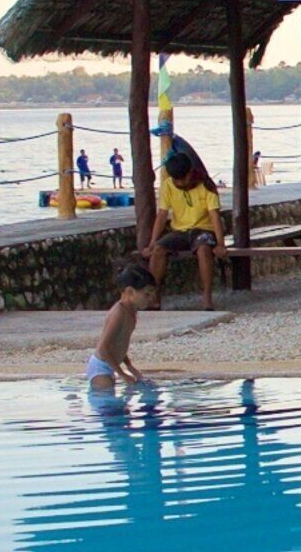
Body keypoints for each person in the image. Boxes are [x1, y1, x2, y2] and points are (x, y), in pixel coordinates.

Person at [154, 137, 223, 306]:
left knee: (204, 249)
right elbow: (162, 215)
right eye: (176, 180)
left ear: (190, 173)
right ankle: (153, 297)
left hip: (203, 230)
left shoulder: (207, 185)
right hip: (179, 231)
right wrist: (152, 242)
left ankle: (207, 297)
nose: (179, 184)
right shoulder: (168, 185)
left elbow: (214, 216)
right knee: (157, 251)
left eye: (182, 179)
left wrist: (220, 243)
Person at [88, 261, 155, 389]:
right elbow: (103, 348)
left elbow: (120, 344)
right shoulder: (118, 313)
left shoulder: (132, 312)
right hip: (100, 366)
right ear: (130, 291)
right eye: (147, 294)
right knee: (105, 403)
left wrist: (130, 367)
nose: (151, 299)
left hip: (110, 364)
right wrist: (122, 374)